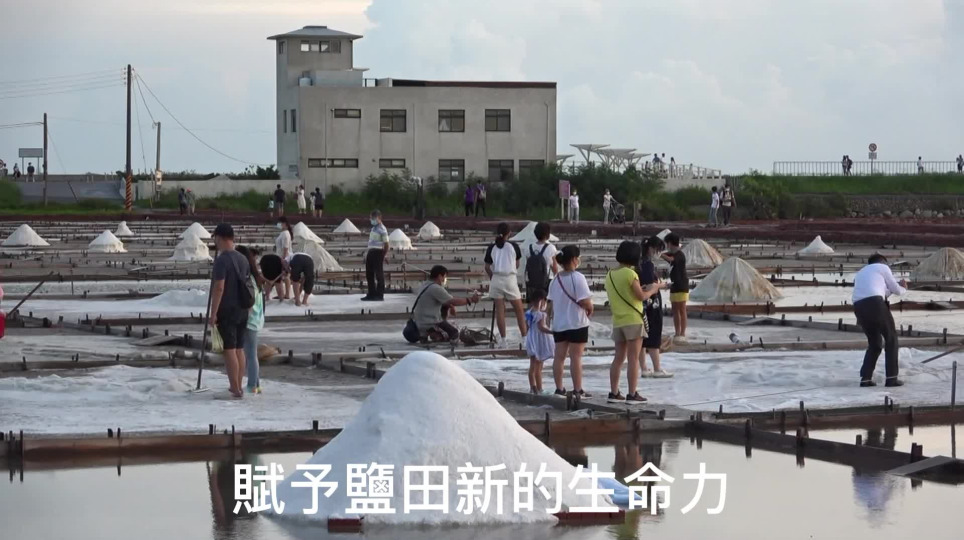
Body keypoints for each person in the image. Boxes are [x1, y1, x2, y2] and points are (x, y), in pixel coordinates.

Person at [605, 241, 662, 404]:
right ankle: (632, 393)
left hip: (618, 320)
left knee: (618, 358)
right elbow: (641, 296)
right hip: (633, 320)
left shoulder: (610, 275)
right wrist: (654, 289)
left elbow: (626, 293)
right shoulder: (630, 274)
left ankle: (614, 393)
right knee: (633, 359)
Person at [209, 224, 251, 399]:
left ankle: (234, 387)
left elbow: (219, 287)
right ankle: (238, 385)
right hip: (243, 309)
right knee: (239, 348)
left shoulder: (222, 260)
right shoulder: (243, 259)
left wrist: (213, 313)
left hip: (227, 309)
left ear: (220, 238)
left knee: (229, 349)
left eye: (215, 238)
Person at [853, 254, 907, 387]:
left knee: (875, 343)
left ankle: (865, 378)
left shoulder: (861, 272)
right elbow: (897, 290)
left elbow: (883, 292)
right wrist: (904, 287)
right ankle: (892, 378)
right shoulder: (882, 267)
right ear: (883, 262)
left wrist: (894, 289)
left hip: (859, 307)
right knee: (891, 338)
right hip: (875, 304)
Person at [548, 245, 593, 397]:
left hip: (559, 324)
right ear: (574, 259)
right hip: (577, 323)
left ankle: (559, 388)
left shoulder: (555, 280)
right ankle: (578, 389)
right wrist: (590, 308)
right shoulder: (578, 277)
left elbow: (550, 303)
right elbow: (585, 301)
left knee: (559, 357)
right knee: (576, 357)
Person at [411, 265, 480, 343]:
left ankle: (431, 334)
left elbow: (445, 301)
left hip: (419, 322)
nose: (444, 280)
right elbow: (453, 301)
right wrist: (470, 300)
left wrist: (450, 305)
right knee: (455, 333)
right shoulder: (435, 288)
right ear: (440, 276)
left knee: (445, 308)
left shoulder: (425, 285)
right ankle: (437, 335)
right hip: (430, 323)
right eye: (444, 277)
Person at [484, 222, 526, 346]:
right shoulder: (514, 246)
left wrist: (493, 277)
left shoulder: (491, 247)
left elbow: (487, 267)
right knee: (519, 310)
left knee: (500, 311)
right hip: (510, 279)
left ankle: (503, 340)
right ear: (509, 233)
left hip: (496, 279)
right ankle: (525, 338)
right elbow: (517, 264)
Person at [638, 236, 672, 377]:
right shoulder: (647, 264)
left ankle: (644, 368)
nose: (659, 253)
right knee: (653, 335)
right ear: (651, 248)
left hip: (642, 305)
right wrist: (662, 285)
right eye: (658, 250)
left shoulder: (639, 262)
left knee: (642, 338)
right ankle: (657, 368)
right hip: (652, 304)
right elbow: (650, 286)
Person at [236, 245, 265, 394]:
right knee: (251, 354)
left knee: (250, 355)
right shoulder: (255, 278)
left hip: (250, 320)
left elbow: (249, 302)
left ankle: (252, 385)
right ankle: (256, 384)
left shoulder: (248, 279)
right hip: (256, 319)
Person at [525, 290, 554, 395]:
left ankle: (532, 387)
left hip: (531, 339)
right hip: (539, 341)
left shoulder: (529, 313)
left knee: (532, 365)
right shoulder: (541, 315)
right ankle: (539, 388)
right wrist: (552, 332)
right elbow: (541, 327)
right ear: (542, 301)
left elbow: (527, 327)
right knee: (539, 366)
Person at [661, 233, 688, 343]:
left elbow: (671, 259)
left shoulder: (679, 254)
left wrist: (660, 255)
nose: (667, 246)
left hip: (682, 285)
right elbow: (668, 256)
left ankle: (682, 333)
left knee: (682, 309)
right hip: (674, 285)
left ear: (670, 243)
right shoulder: (673, 253)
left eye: (667, 243)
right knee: (675, 309)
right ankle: (677, 332)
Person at [525, 222, 559, 299]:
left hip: (532, 281)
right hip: (546, 281)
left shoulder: (529, 248)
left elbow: (529, 265)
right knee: (546, 302)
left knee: (533, 302)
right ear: (548, 234)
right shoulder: (551, 248)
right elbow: (555, 268)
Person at [363, 210, 389, 301]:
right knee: (369, 274)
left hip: (378, 252)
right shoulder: (373, 228)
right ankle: (371, 293)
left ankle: (379, 294)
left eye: (373, 218)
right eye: (371, 218)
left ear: (378, 218)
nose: (371, 220)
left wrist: (384, 255)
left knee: (379, 274)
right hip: (371, 251)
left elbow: (386, 244)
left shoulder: (382, 229)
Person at [271, 217, 293, 301]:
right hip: (280, 256)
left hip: (284, 257)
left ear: (285, 224)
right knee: (283, 276)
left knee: (286, 275)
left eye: (280, 223)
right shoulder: (283, 233)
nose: (279, 224)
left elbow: (285, 247)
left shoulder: (286, 234)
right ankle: (282, 293)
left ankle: (287, 294)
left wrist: (283, 259)